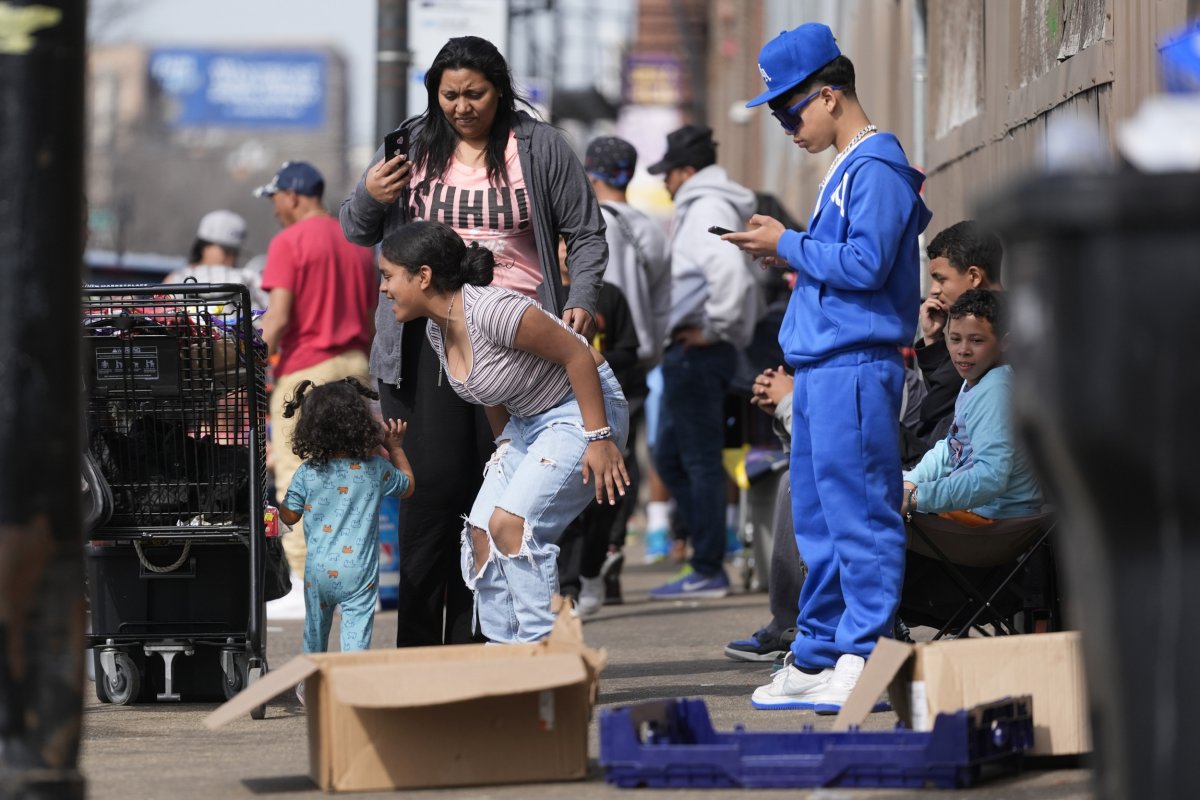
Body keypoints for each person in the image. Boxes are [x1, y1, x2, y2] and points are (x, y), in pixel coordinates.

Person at [339, 35, 608, 646]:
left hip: (515, 340)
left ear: (500, 90)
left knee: (486, 494)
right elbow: (358, 230)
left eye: (476, 94)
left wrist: (581, 303)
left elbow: (587, 234)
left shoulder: (539, 147)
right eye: (450, 94)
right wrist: (368, 196)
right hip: (421, 341)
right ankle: (416, 652)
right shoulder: (410, 145)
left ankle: (479, 644)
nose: (462, 106)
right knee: (428, 493)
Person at [726, 22, 931, 712]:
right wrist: (787, 247)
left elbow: (869, 265)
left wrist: (787, 243)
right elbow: (848, 262)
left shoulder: (876, 165)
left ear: (830, 93)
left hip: (854, 364)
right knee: (818, 522)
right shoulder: (850, 167)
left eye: (789, 108)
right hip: (824, 367)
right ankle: (817, 652)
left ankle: (864, 652)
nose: (785, 124)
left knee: (858, 516)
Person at [377, 221, 628, 643]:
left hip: (580, 411)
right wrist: (506, 445)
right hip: (528, 424)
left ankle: (543, 659)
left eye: (388, 276)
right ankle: (504, 653)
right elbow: (485, 387)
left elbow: (579, 355)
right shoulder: (440, 329)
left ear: (422, 276)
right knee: (481, 534)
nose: (383, 289)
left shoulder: (492, 310)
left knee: (513, 525)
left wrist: (599, 437)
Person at [254, 161, 378, 618]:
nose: (274, 210)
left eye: (275, 199)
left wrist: (248, 362)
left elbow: (279, 318)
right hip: (355, 368)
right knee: (352, 479)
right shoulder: (355, 242)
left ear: (293, 194)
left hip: (306, 371)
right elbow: (369, 315)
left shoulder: (289, 242)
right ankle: (357, 579)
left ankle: (306, 584)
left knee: (300, 477)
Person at [645, 124, 764, 601]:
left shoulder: (706, 207)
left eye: (668, 175)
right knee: (674, 457)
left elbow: (730, 274)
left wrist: (714, 329)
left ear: (687, 171)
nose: (665, 185)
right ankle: (705, 558)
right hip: (692, 350)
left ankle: (709, 565)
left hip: (699, 352)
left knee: (695, 460)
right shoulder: (705, 205)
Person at [581, 135, 670, 597]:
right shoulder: (650, 226)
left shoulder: (587, 222)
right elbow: (660, 300)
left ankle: (594, 557)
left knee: (591, 457)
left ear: (591, 172)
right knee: (625, 457)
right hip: (636, 359)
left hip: (592, 354)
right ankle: (612, 546)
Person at [277, 378, 415, 658]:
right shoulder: (376, 469)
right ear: (361, 424)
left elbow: (289, 516)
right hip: (360, 574)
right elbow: (408, 487)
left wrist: (281, 510)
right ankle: (350, 685)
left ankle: (310, 684)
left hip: (318, 572)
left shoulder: (308, 472)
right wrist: (396, 448)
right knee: (356, 638)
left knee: (315, 632)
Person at [552, 237, 640, 616]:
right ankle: (567, 587)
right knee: (568, 496)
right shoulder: (542, 293)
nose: (566, 253)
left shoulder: (612, 296)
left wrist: (587, 355)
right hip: (561, 407)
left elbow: (631, 352)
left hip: (611, 404)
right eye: (560, 243)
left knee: (607, 496)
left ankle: (592, 570)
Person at [903, 220, 1005, 465]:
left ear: (973, 276)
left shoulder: (996, 329)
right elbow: (941, 402)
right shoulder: (972, 322)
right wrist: (932, 339)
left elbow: (937, 410)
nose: (934, 290)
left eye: (941, 279)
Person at [164, 209, 268, 309]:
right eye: (226, 251)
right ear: (204, 246)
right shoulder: (178, 278)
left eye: (235, 253)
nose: (231, 258)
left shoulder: (249, 278)